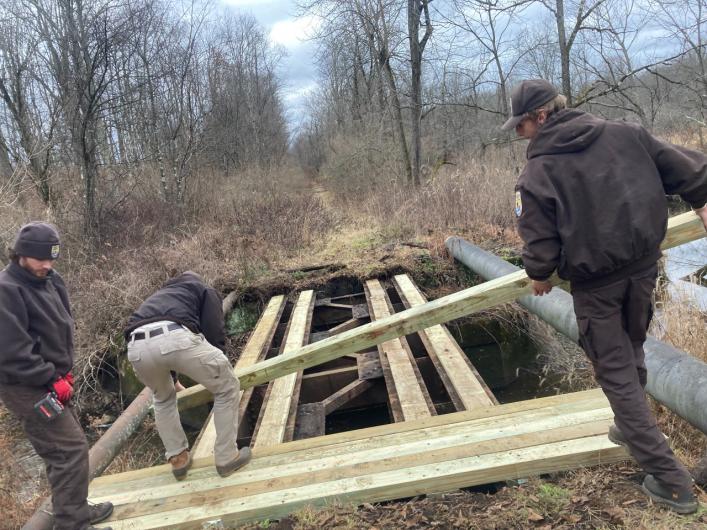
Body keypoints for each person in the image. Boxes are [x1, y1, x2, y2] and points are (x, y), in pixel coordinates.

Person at [503, 79, 707, 514]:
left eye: (520, 126)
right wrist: (703, 198)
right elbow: (689, 168)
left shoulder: (537, 174)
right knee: (631, 348)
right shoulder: (625, 134)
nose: (519, 134)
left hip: (596, 287)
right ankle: (628, 427)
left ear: (540, 116)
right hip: (643, 271)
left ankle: (672, 483)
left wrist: (539, 275)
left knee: (615, 372)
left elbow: (539, 244)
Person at [0, 222, 114, 530]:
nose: (47, 265)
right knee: (70, 450)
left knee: (66, 449)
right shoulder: (6, 290)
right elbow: (12, 353)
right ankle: (72, 523)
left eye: (52, 258)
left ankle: (74, 509)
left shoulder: (52, 280)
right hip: (27, 386)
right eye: (40, 258)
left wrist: (66, 374)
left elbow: (62, 328)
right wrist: (51, 378)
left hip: (55, 379)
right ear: (20, 254)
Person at [124, 271, 251, 481]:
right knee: (227, 388)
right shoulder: (204, 289)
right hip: (175, 338)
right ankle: (227, 457)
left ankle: (178, 460)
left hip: (135, 347)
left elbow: (155, 343)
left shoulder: (162, 295)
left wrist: (172, 381)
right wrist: (219, 369)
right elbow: (214, 331)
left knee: (163, 399)